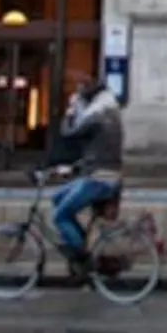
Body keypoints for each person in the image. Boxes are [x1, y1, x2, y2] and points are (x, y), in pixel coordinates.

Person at [52, 81, 127, 273]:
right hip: (102, 174)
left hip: (100, 178)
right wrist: (74, 169)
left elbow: (69, 134)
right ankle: (80, 239)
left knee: (60, 215)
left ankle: (83, 257)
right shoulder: (111, 113)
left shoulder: (97, 116)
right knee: (58, 198)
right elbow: (98, 149)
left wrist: (69, 113)